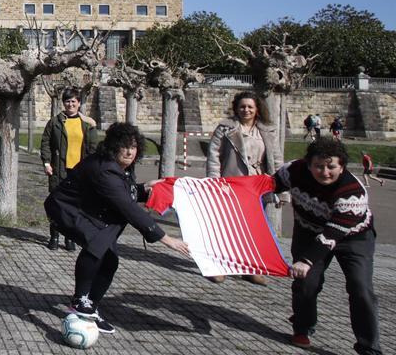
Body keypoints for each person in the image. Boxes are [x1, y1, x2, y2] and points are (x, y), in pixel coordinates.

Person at [44, 122, 190, 335]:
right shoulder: (105, 168)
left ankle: (90, 308)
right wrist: (167, 239)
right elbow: (127, 207)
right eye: (124, 146)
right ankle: (80, 300)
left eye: (133, 146)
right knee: (97, 244)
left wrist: (144, 188)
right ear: (113, 146)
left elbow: (124, 192)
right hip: (67, 209)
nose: (130, 151)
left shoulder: (121, 167)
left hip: (90, 210)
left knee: (110, 261)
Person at [274, 138, 383, 355]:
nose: (324, 172)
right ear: (308, 164)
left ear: (342, 166)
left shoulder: (353, 193)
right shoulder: (293, 170)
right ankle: (303, 327)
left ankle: (369, 352)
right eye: (318, 166)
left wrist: (306, 260)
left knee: (361, 288)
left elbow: (331, 235)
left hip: (352, 237)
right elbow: (267, 184)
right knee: (306, 283)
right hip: (308, 228)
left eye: (331, 167)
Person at [205, 91, 282, 285]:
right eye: (242, 106)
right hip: (231, 183)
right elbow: (214, 156)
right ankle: (219, 266)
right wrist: (215, 182)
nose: (245, 110)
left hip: (258, 185)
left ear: (257, 110)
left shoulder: (267, 130)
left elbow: (276, 159)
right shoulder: (225, 128)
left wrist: (280, 185)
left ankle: (248, 267)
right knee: (226, 227)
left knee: (253, 228)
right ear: (236, 108)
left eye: (250, 107)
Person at [40, 87, 98, 252]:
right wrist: (46, 162)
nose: (70, 104)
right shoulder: (55, 122)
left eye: (74, 101)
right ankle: (54, 236)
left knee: (75, 206)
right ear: (63, 103)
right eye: (67, 101)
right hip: (59, 168)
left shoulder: (86, 123)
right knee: (56, 204)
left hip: (79, 171)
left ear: (79, 103)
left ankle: (70, 237)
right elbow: (45, 143)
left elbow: (93, 147)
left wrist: (92, 124)